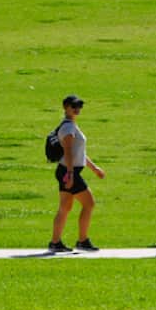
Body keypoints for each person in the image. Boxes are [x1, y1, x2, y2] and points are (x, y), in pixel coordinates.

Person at [48, 95, 105, 253]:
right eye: (74, 106)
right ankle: (82, 240)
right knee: (89, 203)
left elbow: (78, 153)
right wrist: (71, 174)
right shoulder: (68, 128)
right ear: (65, 107)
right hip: (69, 170)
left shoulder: (71, 125)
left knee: (65, 207)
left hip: (67, 170)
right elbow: (68, 152)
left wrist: (94, 168)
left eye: (79, 106)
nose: (77, 109)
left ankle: (55, 242)